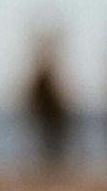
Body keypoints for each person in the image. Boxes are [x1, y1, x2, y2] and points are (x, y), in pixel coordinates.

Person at [18, 22, 74, 174]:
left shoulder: (49, 76)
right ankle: (47, 163)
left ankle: (54, 163)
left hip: (52, 112)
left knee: (53, 138)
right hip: (45, 112)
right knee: (46, 137)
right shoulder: (41, 77)